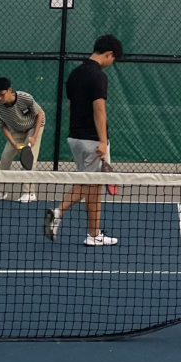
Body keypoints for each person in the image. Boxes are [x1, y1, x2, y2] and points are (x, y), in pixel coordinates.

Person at [44, 34, 123, 245]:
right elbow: (99, 110)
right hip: (92, 140)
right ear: (109, 54)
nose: (111, 63)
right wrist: (103, 141)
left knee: (93, 186)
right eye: (113, 59)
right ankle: (59, 212)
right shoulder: (98, 76)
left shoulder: (75, 74)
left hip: (75, 138)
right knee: (90, 184)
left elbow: (71, 106)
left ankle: (94, 234)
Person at [0, 77, 45, 202]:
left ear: (10, 90)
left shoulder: (25, 98)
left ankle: (29, 193)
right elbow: (3, 126)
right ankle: (1, 191)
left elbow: (40, 114)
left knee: (29, 160)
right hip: (17, 130)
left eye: (2, 95)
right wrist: (14, 144)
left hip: (34, 127)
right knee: (5, 157)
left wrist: (34, 137)